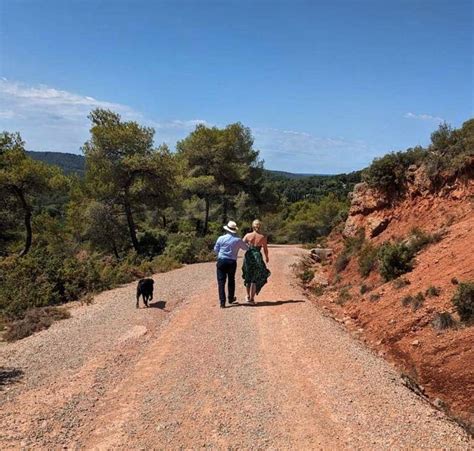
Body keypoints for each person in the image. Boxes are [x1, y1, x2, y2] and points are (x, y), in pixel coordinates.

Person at [214, 220, 249, 308]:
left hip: (221, 261)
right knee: (231, 280)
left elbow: (216, 249)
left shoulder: (220, 238)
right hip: (231, 262)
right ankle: (230, 298)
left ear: (227, 229)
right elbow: (246, 248)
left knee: (221, 282)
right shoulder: (238, 240)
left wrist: (221, 253)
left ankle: (222, 303)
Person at [242, 219, 271, 304]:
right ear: (260, 226)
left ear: (252, 226)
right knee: (254, 278)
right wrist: (267, 257)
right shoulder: (263, 237)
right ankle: (252, 299)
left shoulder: (248, 235)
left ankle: (247, 296)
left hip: (249, 256)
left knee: (248, 276)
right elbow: (265, 249)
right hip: (257, 256)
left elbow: (242, 245)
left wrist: (248, 246)